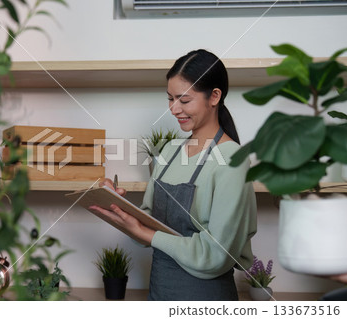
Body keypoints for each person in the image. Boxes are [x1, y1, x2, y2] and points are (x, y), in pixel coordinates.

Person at [89, 49, 257, 301]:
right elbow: (149, 227)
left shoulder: (232, 159)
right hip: (158, 291)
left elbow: (216, 254)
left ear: (214, 96)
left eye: (184, 100)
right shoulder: (168, 151)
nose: (174, 109)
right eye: (170, 99)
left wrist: (146, 233)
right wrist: (121, 209)